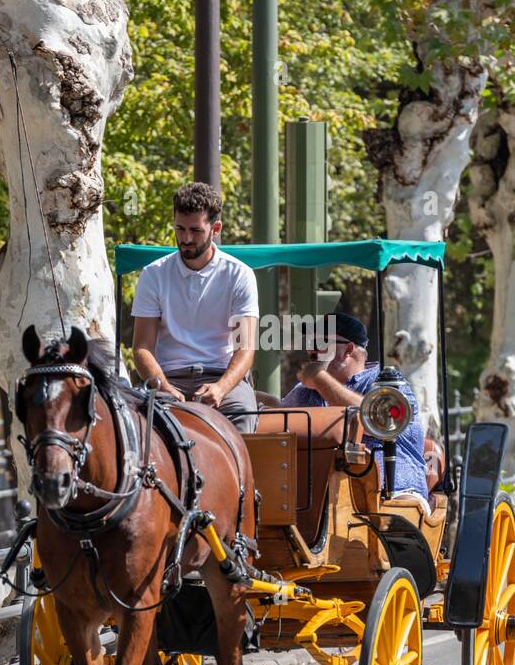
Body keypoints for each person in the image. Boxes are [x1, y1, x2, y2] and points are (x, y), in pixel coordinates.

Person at [259, 312, 429, 505]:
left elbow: (376, 416)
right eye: (309, 344)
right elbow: (282, 414)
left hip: (393, 492)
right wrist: (248, 395)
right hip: (322, 497)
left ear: (348, 349)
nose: (311, 351)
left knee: (394, 519)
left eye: (320, 343)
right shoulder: (308, 389)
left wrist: (320, 379)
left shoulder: (387, 382)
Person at [132, 182, 259, 434]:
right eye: (180, 229)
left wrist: (221, 388)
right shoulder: (153, 274)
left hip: (222, 376)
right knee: (132, 425)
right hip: (167, 376)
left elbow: (245, 348)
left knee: (242, 416)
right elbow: (142, 347)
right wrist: (163, 386)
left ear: (216, 229)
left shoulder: (239, 275)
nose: (186, 239)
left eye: (195, 231)